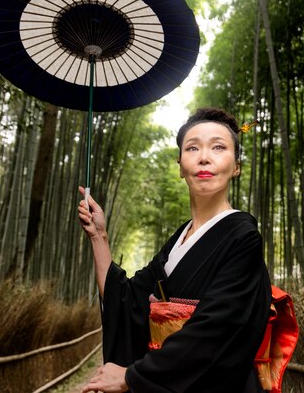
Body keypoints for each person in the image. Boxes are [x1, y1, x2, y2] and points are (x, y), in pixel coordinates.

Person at [77, 107, 272, 393]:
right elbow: (129, 300)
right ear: (181, 166)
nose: (204, 157)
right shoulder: (179, 238)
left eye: (219, 147)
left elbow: (217, 330)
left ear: (237, 166)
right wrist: (99, 236)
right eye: (192, 148)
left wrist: (133, 376)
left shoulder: (243, 236)